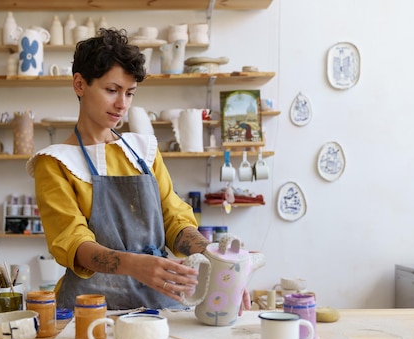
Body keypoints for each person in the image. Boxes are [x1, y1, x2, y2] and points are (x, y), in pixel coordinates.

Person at [27, 28, 251, 311]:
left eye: (129, 93)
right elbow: (73, 243)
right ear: (80, 84)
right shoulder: (56, 162)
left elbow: (174, 219)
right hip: (89, 309)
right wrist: (135, 264)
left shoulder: (143, 151)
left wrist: (217, 259)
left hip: (160, 304)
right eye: (112, 90)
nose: (122, 104)